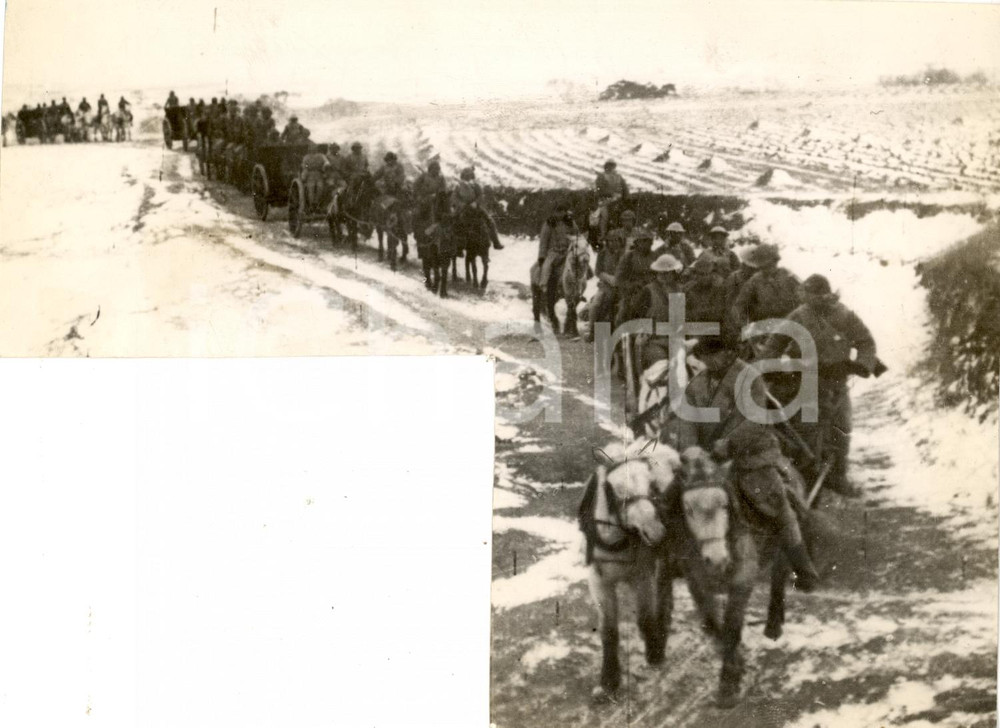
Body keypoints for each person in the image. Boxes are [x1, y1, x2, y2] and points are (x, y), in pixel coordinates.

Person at [761, 274, 879, 498]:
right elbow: (776, 342)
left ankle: (838, 477)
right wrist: (766, 365)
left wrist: (862, 365)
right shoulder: (799, 316)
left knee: (841, 426)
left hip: (836, 379)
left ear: (826, 295)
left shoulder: (844, 316)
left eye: (815, 296)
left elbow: (865, 341)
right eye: (807, 296)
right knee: (806, 431)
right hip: (805, 381)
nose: (810, 301)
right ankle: (807, 478)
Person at [716, 424, 820, 592]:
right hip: (737, 460)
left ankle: (806, 573)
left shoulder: (762, 429)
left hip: (761, 463)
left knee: (784, 516)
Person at [729, 243, 801, 346]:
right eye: (763, 266)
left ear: (775, 261)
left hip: (790, 327)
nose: (767, 269)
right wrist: (748, 327)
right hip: (765, 330)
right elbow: (738, 307)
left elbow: (805, 298)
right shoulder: (755, 280)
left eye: (770, 264)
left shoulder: (788, 276)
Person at [628, 253, 686, 369]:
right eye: (661, 273)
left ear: (674, 273)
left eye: (668, 273)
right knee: (660, 365)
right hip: (654, 340)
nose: (664, 276)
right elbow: (634, 315)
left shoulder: (681, 290)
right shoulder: (648, 291)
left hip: (676, 339)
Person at [536, 203, 577, 325]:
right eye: (558, 211)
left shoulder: (571, 223)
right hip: (553, 252)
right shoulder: (549, 224)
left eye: (563, 211)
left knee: (580, 267)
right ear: (554, 212)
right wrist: (542, 257)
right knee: (547, 267)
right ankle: (544, 285)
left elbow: (577, 237)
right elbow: (543, 242)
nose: (560, 214)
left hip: (567, 252)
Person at [586, 221, 626, 342]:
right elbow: (598, 271)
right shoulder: (603, 253)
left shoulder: (625, 254)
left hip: (622, 286)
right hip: (605, 286)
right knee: (596, 304)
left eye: (616, 240)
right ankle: (592, 330)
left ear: (620, 241)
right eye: (610, 240)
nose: (613, 243)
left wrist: (619, 279)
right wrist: (608, 278)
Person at [612, 226, 657, 327]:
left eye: (649, 241)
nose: (647, 243)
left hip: (653, 289)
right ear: (637, 243)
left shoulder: (655, 256)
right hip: (633, 291)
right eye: (644, 241)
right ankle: (620, 336)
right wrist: (631, 285)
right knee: (624, 311)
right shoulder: (628, 257)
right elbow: (619, 279)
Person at [451, 167, 503, 250]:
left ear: (472, 176)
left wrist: (475, 203)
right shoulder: (458, 186)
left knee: (490, 221)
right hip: (462, 208)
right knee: (450, 221)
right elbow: (454, 197)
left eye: (469, 175)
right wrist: (461, 204)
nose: (468, 177)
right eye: (466, 175)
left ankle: (496, 242)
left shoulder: (476, 185)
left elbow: (481, 195)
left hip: (475, 207)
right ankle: (455, 246)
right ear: (463, 176)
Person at [683, 256, 728, 333]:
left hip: (714, 329)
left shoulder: (718, 288)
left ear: (712, 274)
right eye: (701, 274)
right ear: (695, 275)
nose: (704, 277)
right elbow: (682, 313)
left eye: (707, 274)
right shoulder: (688, 288)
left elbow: (717, 313)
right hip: (693, 327)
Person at [594, 159, 628, 242]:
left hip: (618, 199)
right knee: (604, 215)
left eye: (612, 166)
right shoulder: (601, 176)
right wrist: (609, 194)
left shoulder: (619, 177)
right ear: (606, 166)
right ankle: (602, 235)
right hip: (605, 199)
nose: (611, 168)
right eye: (609, 166)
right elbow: (599, 190)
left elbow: (625, 188)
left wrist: (624, 197)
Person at [300, 144, 331, 210]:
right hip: (310, 175)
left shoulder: (321, 156)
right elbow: (304, 166)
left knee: (320, 188)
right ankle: (311, 205)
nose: (313, 149)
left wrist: (325, 167)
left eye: (314, 148)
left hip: (319, 174)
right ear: (309, 149)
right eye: (311, 148)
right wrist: (304, 176)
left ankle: (317, 204)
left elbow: (327, 163)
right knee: (311, 189)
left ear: (317, 149)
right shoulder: (306, 157)